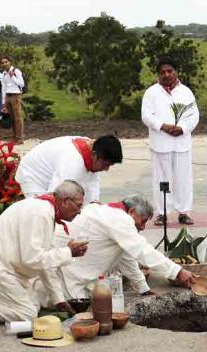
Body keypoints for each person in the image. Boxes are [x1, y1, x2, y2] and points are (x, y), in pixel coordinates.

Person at [0, 181, 89, 325]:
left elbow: (44, 264)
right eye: (78, 205)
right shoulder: (41, 214)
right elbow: (33, 259)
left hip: (5, 267)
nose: (80, 210)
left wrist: (59, 300)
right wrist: (69, 252)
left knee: (35, 304)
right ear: (65, 201)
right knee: (27, 314)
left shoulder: (45, 210)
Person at [54, 195, 195, 298]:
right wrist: (177, 271)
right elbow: (142, 250)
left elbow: (126, 257)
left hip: (68, 270)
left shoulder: (110, 213)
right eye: (143, 220)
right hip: (66, 272)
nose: (143, 227)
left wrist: (143, 288)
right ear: (132, 211)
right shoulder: (120, 219)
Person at [142, 58, 199, 226]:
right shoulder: (151, 92)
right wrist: (163, 126)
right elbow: (146, 116)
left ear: (176, 72)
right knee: (161, 179)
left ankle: (184, 212)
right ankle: (162, 212)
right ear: (158, 74)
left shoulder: (186, 92)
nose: (166, 75)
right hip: (160, 142)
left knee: (184, 178)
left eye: (170, 71)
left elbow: (194, 116)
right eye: (162, 72)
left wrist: (182, 128)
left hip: (181, 142)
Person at [15, 135, 122, 204]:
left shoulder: (96, 150)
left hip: (51, 168)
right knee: (42, 210)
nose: (106, 169)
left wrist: (94, 205)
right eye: (105, 164)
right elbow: (54, 196)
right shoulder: (72, 162)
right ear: (94, 155)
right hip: (32, 174)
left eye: (110, 165)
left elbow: (92, 184)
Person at [0, 55, 25, 144]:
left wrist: (12, 77)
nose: (4, 64)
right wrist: (3, 102)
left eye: (6, 62)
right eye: (3, 63)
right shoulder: (3, 73)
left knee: (18, 117)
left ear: (10, 62)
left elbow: (22, 84)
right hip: (8, 95)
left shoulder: (16, 71)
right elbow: (4, 87)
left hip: (16, 95)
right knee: (12, 118)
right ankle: (15, 137)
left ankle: (20, 138)